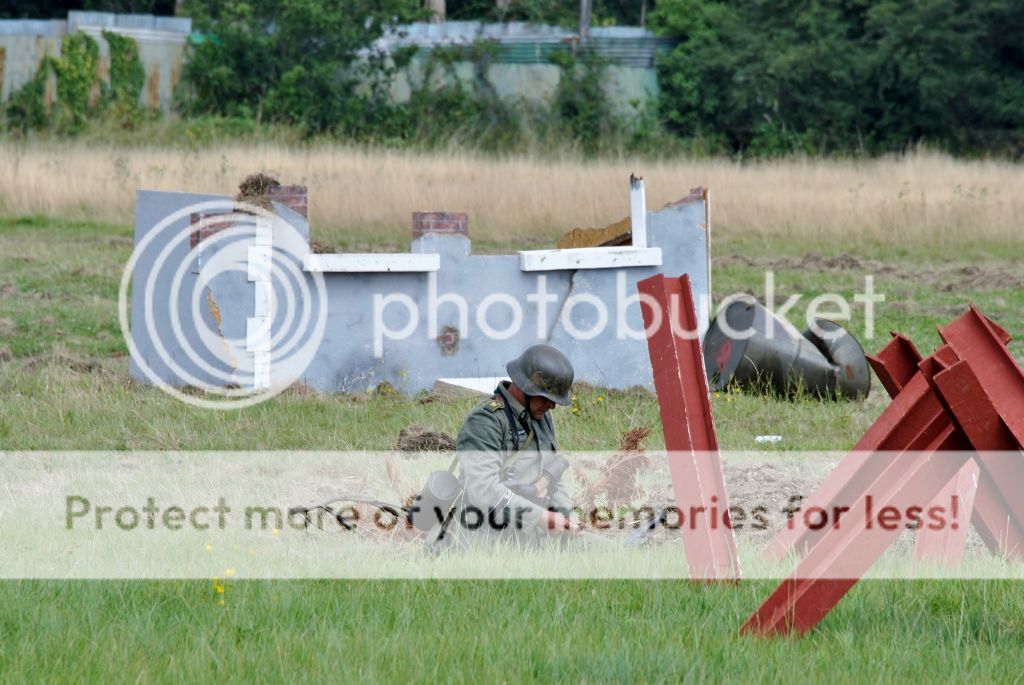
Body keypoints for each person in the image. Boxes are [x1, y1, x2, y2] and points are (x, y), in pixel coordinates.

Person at [454, 344, 579, 546]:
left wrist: (565, 515)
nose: (552, 406)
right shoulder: (486, 421)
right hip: (489, 537)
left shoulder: (541, 417)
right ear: (525, 387)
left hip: (537, 533)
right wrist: (539, 518)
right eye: (547, 398)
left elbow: (553, 477)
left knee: (608, 552)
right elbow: (483, 490)